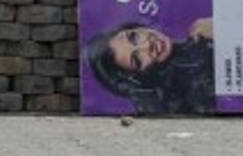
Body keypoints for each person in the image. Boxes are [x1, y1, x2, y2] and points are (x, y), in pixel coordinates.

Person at [85, 19, 215, 113]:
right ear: (139, 76)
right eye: (137, 59)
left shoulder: (200, 33)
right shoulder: (182, 100)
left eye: (134, 37)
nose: (147, 45)